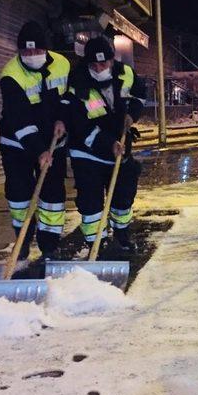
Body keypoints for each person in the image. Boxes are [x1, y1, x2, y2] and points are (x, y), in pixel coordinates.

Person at [67, 36, 145, 253]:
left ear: (113, 60)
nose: (100, 68)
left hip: (119, 147)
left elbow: (140, 95)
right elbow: (79, 126)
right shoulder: (77, 83)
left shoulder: (126, 73)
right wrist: (107, 143)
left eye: (104, 64)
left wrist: (133, 115)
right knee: (91, 203)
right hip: (87, 150)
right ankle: (96, 244)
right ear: (87, 64)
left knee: (123, 194)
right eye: (94, 65)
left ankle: (121, 234)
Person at [0, 21, 70, 260]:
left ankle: (49, 245)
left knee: (52, 194)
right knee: (19, 194)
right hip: (17, 144)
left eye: (37, 51)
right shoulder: (11, 75)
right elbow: (19, 119)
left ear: (46, 50)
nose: (31, 56)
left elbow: (67, 99)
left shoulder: (62, 64)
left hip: (54, 142)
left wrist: (63, 120)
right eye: (26, 52)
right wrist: (39, 150)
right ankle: (23, 240)